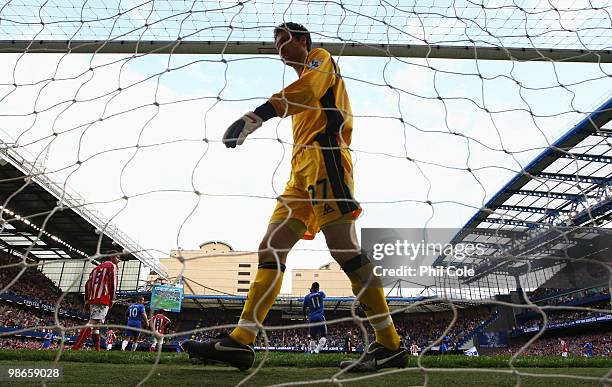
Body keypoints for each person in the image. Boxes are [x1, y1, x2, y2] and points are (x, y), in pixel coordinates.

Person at [181, 21, 407, 372]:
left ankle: (389, 344)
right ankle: (241, 340)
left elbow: (309, 91)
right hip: (299, 172)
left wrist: (257, 116)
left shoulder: (321, 59)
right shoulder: (301, 78)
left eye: (284, 39)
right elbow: (303, 95)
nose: (279, 46)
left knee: (342, 247)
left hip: (326, 156)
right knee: (270, 247)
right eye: (276, 42)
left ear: (302, 40)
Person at [72, 252, 120, 351]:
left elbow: (87, 284)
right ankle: (76, 347)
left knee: (96, 326)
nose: (119, 260)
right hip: (103, 298)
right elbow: (113, 284)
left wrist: (87, 300)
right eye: (118, 258)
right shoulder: (112, 266)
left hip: (93, 298)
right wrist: (112, 299)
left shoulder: (95, 269)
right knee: (93, 322)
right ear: (112, 257)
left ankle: (97, 350)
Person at [303, 282, 327, 353]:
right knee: (323, 335)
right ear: (318, 288)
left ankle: (312, 350)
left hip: (312, 317)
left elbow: (304, 307)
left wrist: (305, 316)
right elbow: (324, 296)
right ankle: (317, 350)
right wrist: (314, 291)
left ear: (312, 288)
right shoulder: (321, 293)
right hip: (320, 316)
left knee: (313, 337)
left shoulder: (307, 297)